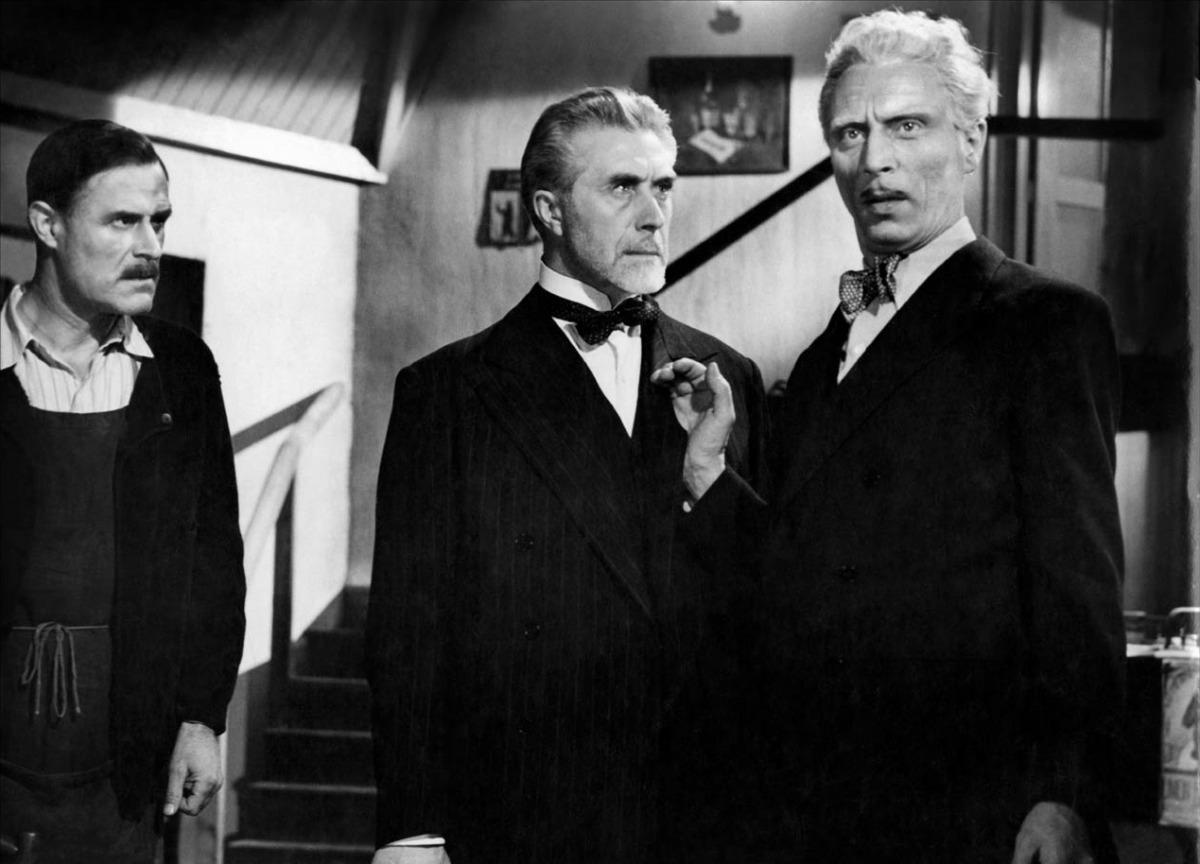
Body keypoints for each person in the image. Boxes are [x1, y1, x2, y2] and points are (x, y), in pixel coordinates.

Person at [655, 10, 1125, 863]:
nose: (875, 159)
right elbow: (792, 576)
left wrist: (1066, 794)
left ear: (972, 140)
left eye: (908, 126)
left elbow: (1076, 590)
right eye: (851, 133)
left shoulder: (1046, 323)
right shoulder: (824, 354)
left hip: (975, 807)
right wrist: (709, 470)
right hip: (824, 805)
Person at [367, 87, 766, 864]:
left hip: (702, 818)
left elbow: (767, 608)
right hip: (528, 812)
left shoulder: (730, 377)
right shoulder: (448, 392)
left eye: (664, 187)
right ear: (548, 211)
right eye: (622, 187)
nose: (654, 216)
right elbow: (410, 631)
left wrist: (710, 478)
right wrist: (414, 830)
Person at [0, 120, 246, 863]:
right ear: (48, 224)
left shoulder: (182, 370)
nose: (150, 247)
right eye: (121, 221)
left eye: (159, 221)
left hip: (123, 771)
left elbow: (214, 562)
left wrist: (202, 719)